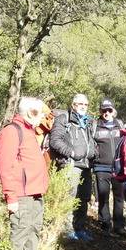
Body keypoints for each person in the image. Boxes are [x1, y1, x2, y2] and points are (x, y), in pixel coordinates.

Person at [0, 97, 51, 250]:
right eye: (41, 113)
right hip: (21, 194)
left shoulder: (29, 131)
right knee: (20, 229)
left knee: (33, 227)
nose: (43, 117)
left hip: (35, 193)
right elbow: (5, 166)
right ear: (31, 113)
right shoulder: (12, 131)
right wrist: (11, 198)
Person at [49, 93, 96, 241]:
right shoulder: (64, 119)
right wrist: (72, 152)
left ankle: (80, 228)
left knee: (83, 198)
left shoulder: (88, 122)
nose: (83, 107)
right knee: (69, 197)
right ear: (73, 105)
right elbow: (55, 140)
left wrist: (94, 152)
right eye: (79, 104)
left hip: (86, 165)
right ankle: (66, 231)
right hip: (71, 165)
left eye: (85, 104)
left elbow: (91, 141)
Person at [92, 98, 126, 235]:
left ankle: (119, 226)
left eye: (109, 110)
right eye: (104, 110)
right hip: (101, 167)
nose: (107, 113)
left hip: (118, 168)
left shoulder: (120, 125)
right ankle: (104, 223)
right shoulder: (95, 125)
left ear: (114, 111)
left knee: (119, 197)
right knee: (103, 196)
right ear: (100, 111)